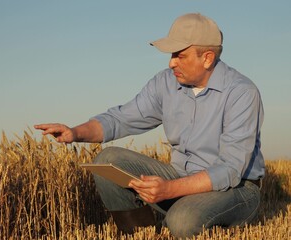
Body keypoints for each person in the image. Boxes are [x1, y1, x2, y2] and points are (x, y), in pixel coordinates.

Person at [34, 13, 264, 238]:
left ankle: (191, 219)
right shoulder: (165, 82)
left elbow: (231, 169)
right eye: (172, 54)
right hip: (180, 176)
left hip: (237, 189)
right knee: (108, 160)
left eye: (180, 55)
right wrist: (75, 132)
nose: (171, 62)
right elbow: (121, 119)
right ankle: (141, 233)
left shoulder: (241, 92)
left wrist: (168, 190)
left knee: (182, 222)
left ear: (207, 58)